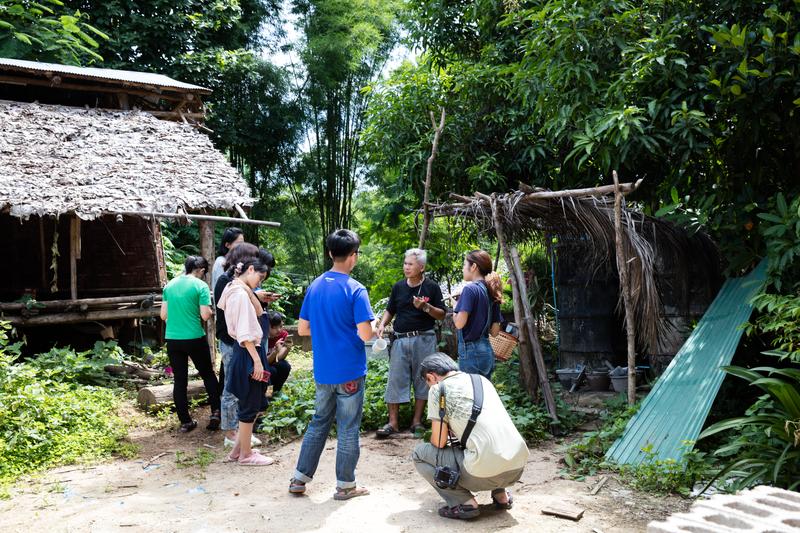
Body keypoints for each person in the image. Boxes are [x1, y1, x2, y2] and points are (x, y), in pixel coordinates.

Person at [289, 229, 375, 500]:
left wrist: (328, 328)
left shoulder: (314, 286)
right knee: (348, 427)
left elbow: (303, 329)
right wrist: (372, 329)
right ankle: (346, 485)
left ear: (329, 253)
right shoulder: (355, 289)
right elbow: (365, 335)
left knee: (319, 422)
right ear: (354, 256)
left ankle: (299, 480)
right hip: (349, 368)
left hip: (324, 369)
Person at [412, 353, 528, 520]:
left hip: (483, 473)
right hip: (516, 467)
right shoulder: (481, 381)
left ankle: (464, 503)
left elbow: (439, 441)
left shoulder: (439, 389)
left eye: (428, 383)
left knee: (419, 454)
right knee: (485, 442)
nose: (430, 387)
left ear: (431, 376)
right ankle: (501, 496)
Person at [375, 248, 446, 438]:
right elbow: (390, 309)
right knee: (395, 378)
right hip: (399, 339)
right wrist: (382, 324)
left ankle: (417, 422)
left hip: (424, 338)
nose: (406, 267)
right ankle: (393, 423)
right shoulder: (398, 287)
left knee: (424, 379)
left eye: (410, 264)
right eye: (405, 263)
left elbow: (441, 314)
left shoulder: (431, 287)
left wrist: (425, 306)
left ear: (421, 267)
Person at [216, 255, 275, 466]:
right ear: (250, 269)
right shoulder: (239, 294)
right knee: (250, 404)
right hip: (249, 350)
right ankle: (246, 455)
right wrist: (257, 362)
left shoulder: (237, 290)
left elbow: (257, 314)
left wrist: (250, 290)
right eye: (260, 277)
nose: (260, 282)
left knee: (253, 401)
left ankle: (236, 452)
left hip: (247, 351)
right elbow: (244, 332)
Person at [160, 256, 221, 433]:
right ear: (201, 270)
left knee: (180, 380)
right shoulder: (200, 286)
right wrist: (209, 309)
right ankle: (216, 412)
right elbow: (205, 315)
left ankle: (185, 421)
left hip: (172, 339)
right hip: (194, 337)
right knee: (208, 374)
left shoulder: (169, 285)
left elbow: (163, 316)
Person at [215, 243, 263, 448]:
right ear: (248, 265)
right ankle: (231, 432)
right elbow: (242, 328)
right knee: (232, 388)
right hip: (233, 341)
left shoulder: (239, 286)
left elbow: (258, 312)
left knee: (240, 388)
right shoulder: (231, 286)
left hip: (238, 342)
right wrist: (257, 359)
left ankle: (239, 435)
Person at [453, 250, 503, 380]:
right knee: (484, 396)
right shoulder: (491, 291)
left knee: (471, 396)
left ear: (473, 266)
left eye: (464, 265)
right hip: (486, 351)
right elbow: (495, 332)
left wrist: (455, 305)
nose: (463, 269)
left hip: (470, 352)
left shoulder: (469, 289)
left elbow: (459, 323)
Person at [264, 311, 292, 398]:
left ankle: (276, 392)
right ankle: (267, 395)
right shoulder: (262, 336)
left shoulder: (283, 335)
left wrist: (287, 348)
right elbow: (265, 362)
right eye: (275, 328)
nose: (279, 330)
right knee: (271, 371)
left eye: (280, 326)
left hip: (273, 361)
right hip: (261, 365)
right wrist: (275, 351)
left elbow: (280, 357)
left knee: (285, 366)